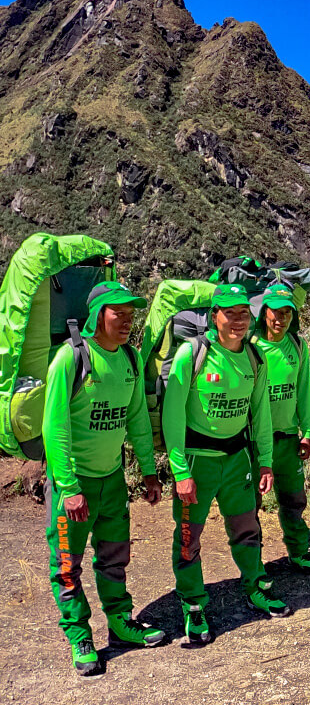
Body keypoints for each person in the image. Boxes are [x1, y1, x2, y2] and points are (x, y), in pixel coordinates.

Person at [42, 282, 166, 674]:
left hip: (112, 481)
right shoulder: (70, 359)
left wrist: (148, 471)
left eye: (132, 314)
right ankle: (80, 635)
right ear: (98, 316)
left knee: (114, 558)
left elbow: (137, 420)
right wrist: (69, 487)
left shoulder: (129, 359)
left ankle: (120, 623)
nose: (128, 320)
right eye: (119, 313)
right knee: (66, 565)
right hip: (73, 486)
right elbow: (54, 428)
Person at [164, 283, 287, 646]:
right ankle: (193, 602)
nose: (238, 321)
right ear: (213, 316)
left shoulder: (254, 358)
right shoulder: (192, 354)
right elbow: (172, 418)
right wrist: (180, 472)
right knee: (189, 536)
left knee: (247, 528)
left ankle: (255, 585)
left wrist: (264, 461)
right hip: (198, 462)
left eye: (243, 314)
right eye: (229, 313)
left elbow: (260, 414)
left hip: (238, 460)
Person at [250, 283, 310, 574]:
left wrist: (308, 432)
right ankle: (253, 561)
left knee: (293, 500)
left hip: (288, 439)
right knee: (248, 506)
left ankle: (299, 552)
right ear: (264, 312)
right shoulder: (250, 346)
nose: (281, 319)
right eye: (275, 312)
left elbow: (304, 392)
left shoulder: (297, 346)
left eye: (287, 313)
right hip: (253, 442)